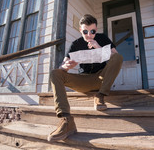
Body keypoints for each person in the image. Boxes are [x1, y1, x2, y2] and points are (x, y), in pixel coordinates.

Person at [47, 14, 123, 142]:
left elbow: (116, 57)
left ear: (96, 30)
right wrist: (67, 66)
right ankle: (66, 120)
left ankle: (100, 95)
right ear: (81, 30)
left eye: (92, 31)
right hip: (84, 80)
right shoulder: (76, 44)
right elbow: (62, 68)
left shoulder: (102, 39)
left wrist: (98, 47)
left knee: (118, 57)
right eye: (85, 32)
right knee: (55, 73)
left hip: (101, 78)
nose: (89, 35)